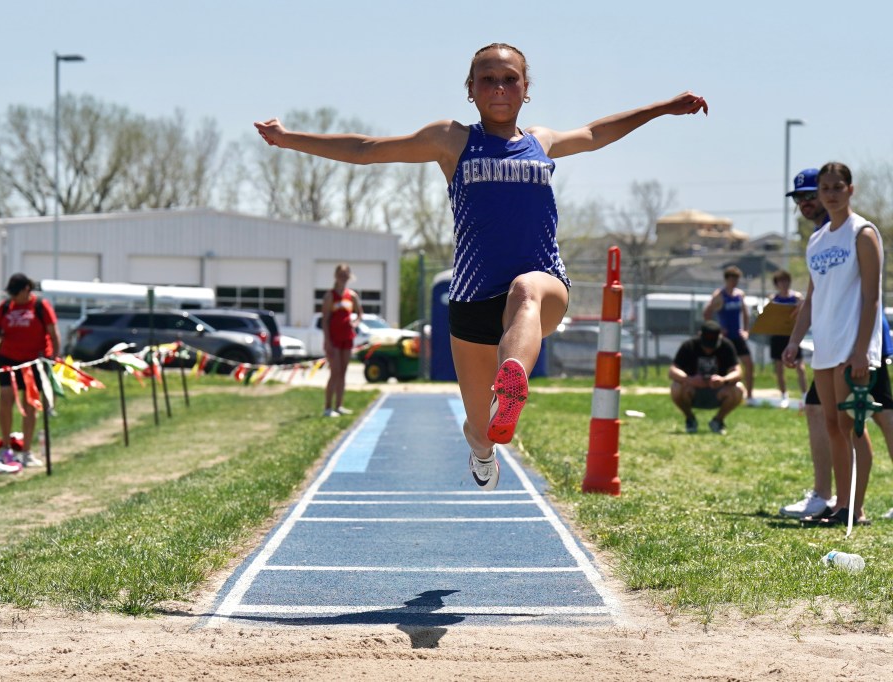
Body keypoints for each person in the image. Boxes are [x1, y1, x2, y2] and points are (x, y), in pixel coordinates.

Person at [255, 42, 707, 490]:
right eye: (488, 79)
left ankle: (511, 384)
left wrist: (662, 108)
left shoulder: (540, 142)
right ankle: (482, 446)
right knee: (481, 428)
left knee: (526, 290)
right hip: (472, 298)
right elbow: (367, 148)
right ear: (470, 89)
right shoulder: (451, 140)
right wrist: (289, 138)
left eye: (510, 79)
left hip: (542, 284)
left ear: (526, 88)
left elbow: (595, 133)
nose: (499, 87)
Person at [777, 168, 893, 521]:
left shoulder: (863, 233)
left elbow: (872, 297)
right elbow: (812, 298)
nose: (829, 194)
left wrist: (861, 351)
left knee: (852, 426)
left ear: (850, 190)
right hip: (825, 346)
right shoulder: (817, 240)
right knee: (832, 426)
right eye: (824, 188)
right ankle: (841, 504)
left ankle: (854, 509)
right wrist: (795, 341)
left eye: (836, 187)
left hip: (852, 344)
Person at [0, 273, 60, 467]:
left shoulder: (40, 306)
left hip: (34, 361)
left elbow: (53, 334)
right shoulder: (6, 306)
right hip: (8, 359)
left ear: (26, 289)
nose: (13, 297)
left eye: (16, 293)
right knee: (6, 400)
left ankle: (27, 452)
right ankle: (6, 448)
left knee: (30, 404)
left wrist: (53, 358)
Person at [668, 321, 745, 434]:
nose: (709, 349)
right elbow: (672, 371)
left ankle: (718, 421)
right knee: (676, 387)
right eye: (706, 344)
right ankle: (690, 419)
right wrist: (690, 380)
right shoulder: (689, 346)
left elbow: (738, 372)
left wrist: (723, 380)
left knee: (739, 389)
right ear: (700, 336)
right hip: (693, 391)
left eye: (712, 345)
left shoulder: (726, 346)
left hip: (718, 392)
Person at [703, 266, 755, 405]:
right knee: (724, 366)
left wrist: (746, 330)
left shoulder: (739, 294)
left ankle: (750, 396)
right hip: (725, 338)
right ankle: (720, 392)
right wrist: (716, 330)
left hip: (737, 336)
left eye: (736, 279)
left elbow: (745, 313)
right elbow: (707, 313)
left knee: (749, 364)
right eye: (732, 279)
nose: (734, 282)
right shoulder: (719, 295)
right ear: (726, 279)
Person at [321, 263, 363, 417]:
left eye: (345, 275)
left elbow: (360, 314)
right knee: (335, 372)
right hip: (334, 338)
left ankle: (339, 406)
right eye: (341, 275)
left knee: (343, 372)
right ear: (336, 276)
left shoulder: (352, 295)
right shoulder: (330, 296)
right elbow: (325, 320)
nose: (343, 278)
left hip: (347, 337)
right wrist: (327, 341)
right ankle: (328, 408)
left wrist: (355, 323)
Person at [767, 269, 807, 408]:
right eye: (781, 281)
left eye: (786, 281)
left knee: (800, 367)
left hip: (793, 336)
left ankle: (805, 395)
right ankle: (784, 396)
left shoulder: (797, 297)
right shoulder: (773, 299)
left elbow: (804, 313)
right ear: (776, 284)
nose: (784, 284)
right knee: (779, 368)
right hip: (778, 335)